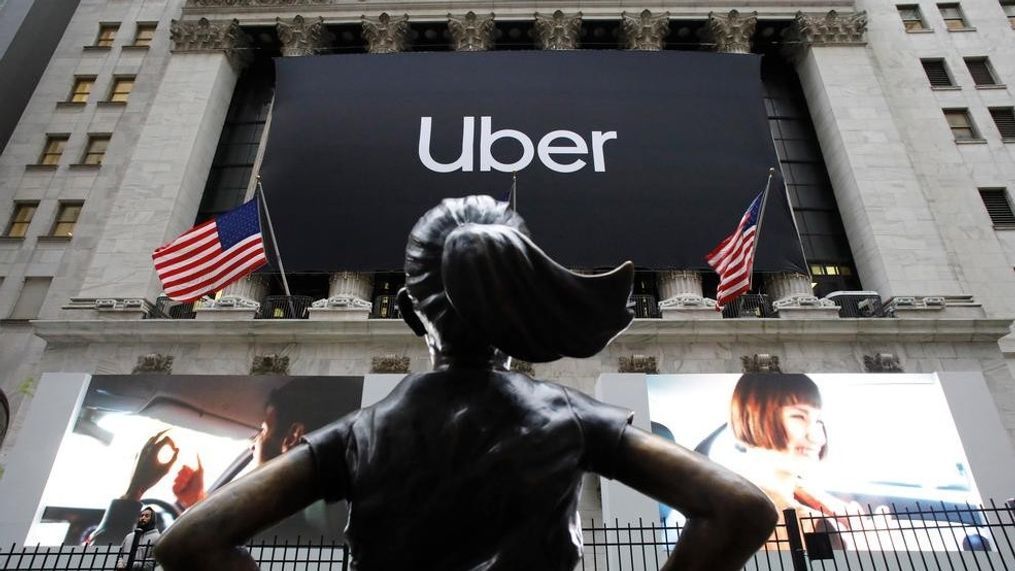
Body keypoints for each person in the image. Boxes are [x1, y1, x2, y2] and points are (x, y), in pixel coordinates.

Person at [156, 195, 778, 571]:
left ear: (407, 311)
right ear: (522, 310)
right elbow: (742, 509)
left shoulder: (360, 434)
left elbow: (190, 543)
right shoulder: (571, 416)